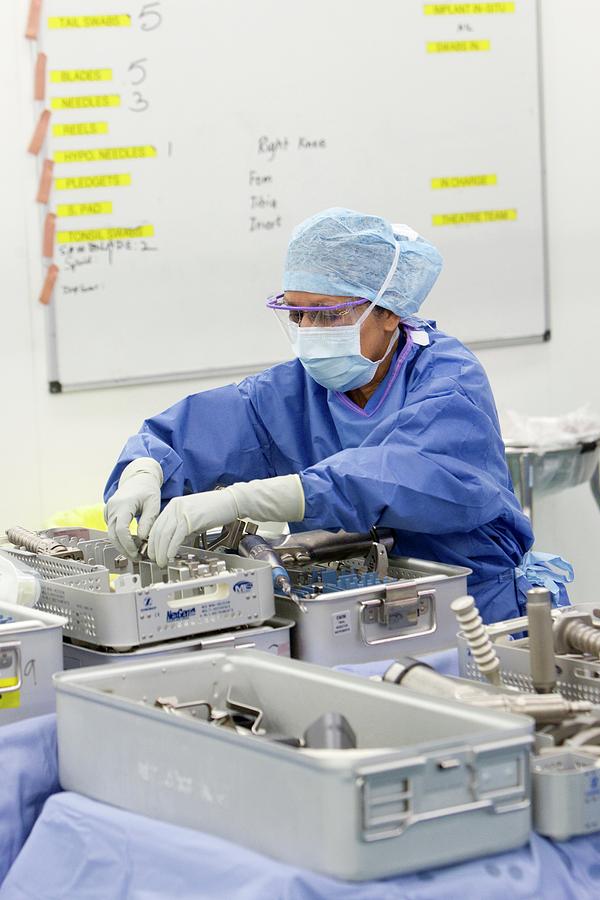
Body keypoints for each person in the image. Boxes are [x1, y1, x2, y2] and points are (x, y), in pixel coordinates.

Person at [104, 207, 537, 624]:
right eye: (298, 314)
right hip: (361, 607)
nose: (308, 331)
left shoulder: (449, 378)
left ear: (387, 311)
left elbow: (392, 474)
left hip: (474, 609)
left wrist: (238, 500)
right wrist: (144, 469)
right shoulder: (298, 390)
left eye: (327, 314)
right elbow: (203, 429)